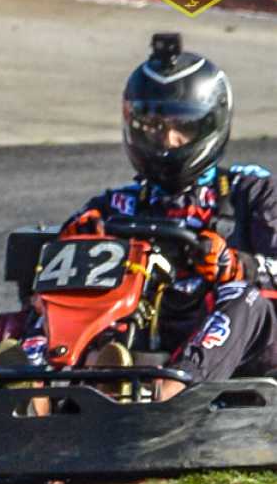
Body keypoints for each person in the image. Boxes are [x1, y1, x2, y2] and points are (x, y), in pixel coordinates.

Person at [57, 34, 277, 392]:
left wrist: (237, 265)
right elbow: (45, 276)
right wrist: (76, 242)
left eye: (182, 127)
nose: (167, 141)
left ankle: (171, 394)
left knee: (243, 297)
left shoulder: (251, 193)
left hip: (240, 350)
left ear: (210, 125)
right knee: (71, 290)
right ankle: (44, 382)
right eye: (155, 127)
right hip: (144, 337)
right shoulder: (119, 204)